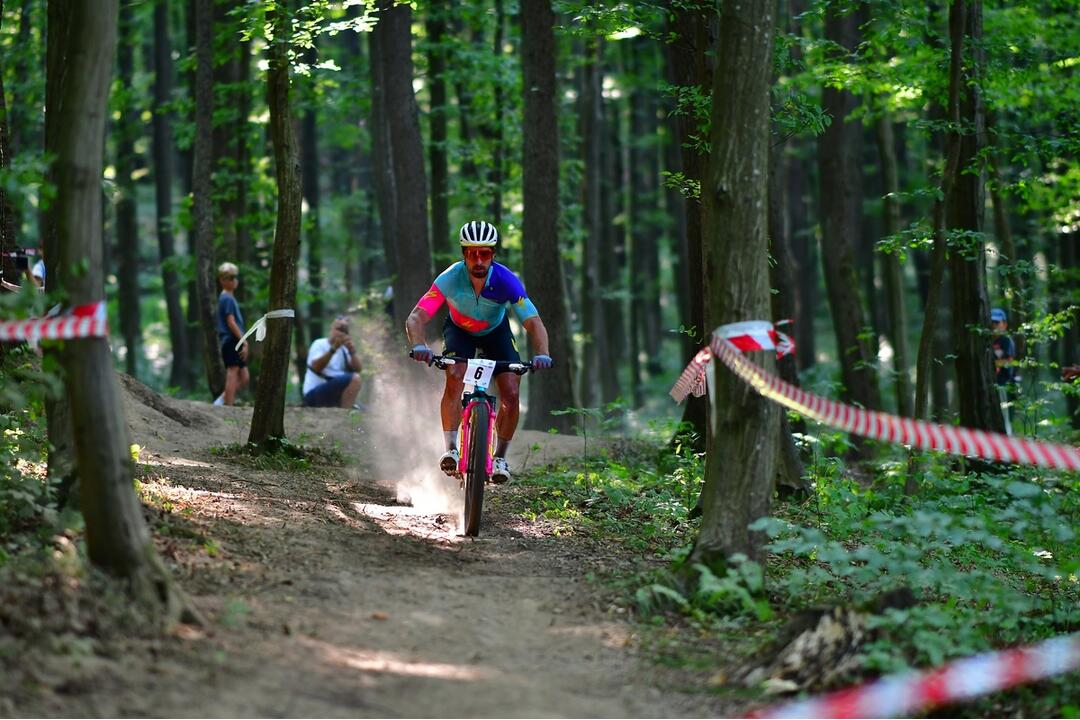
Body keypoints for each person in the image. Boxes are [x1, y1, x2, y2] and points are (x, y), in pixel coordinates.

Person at [406, 220, 553, 484]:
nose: (478, 260)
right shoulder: (450, 278)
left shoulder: (506, 281)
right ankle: (450, 448)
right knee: (455, 374)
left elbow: (534, 322)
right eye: (472, 253)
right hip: (458, 331)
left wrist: (542, 352)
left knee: (511, 390)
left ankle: (500, 458)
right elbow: (416, 317)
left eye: (484, 253)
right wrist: (419, 345)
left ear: (493, 255)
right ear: (463, 254)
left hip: (496, 333)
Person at [303, 315, 363, 408]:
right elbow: (316, 367)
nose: (341, 333)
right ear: (332, 329)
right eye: (339, 329)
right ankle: (344, 416)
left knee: (367, 411)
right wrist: (333, 348)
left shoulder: (344, 349)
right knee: (355, 378)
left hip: (335, 394)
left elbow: (358, 369)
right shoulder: (319, 343)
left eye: (345, 331)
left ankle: (346, 411)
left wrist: (352, 351)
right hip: (314, 393)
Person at [215, 262, 249, 406]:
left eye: (235, 277)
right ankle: (228, 407)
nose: (234, 280)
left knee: (245, 377)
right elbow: (231, 322)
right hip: (231, 340)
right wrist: (244, 340)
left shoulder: (229, 297)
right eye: (230, 277)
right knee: (233, 371)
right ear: (222, 280)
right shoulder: (227, 298)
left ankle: (220, 402)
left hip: (235, 341)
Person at [991, 308, 1016, 387]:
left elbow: (1009, 361)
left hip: (1005, 383)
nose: (994, 325)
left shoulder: (1006, 340)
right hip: (992, 382)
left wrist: (992, 364)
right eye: (991, 322)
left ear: (1005, 324)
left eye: (997, 322)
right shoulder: (987, 341)